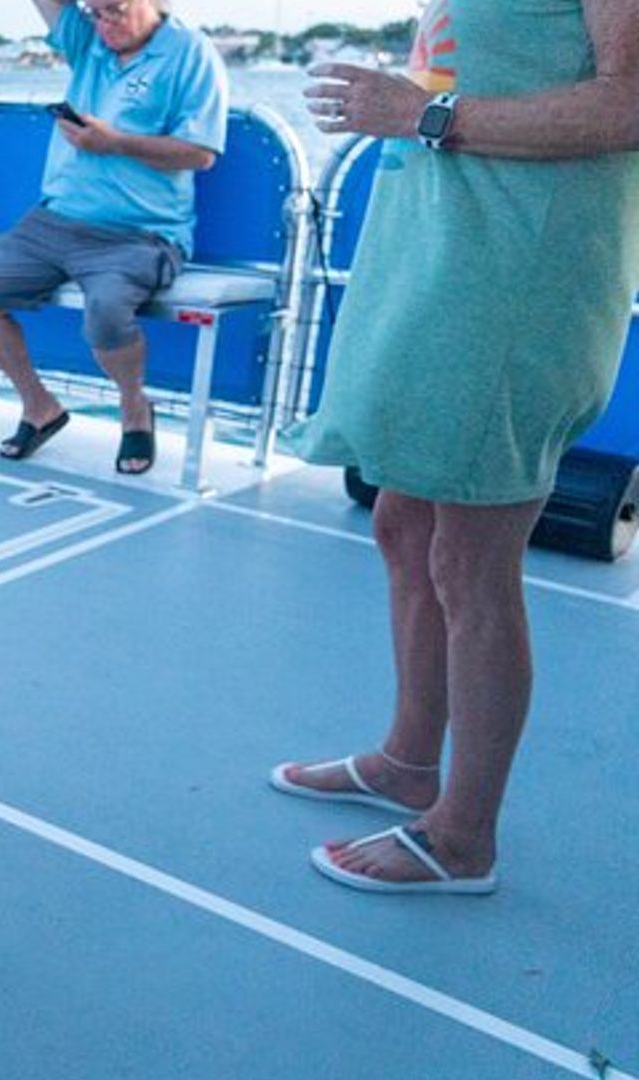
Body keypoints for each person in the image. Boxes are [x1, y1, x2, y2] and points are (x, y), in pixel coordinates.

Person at [273, 0, 639, 895]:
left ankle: (465, 836)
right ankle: (408, 762)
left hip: (520, 280)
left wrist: (424, 115)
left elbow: (629, 104)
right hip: (450, 265)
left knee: (473, 561)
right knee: (403, 524)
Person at [0, 0, 227, 475]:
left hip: (140, 232)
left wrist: (115, 143)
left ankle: (134, 407)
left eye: (115, 11)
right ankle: (39, 406)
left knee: (105, 313)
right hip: (56, 220)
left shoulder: (190, 52)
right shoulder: (90, 42)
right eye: (95, 12)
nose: (104, 24)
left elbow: (201, 153)